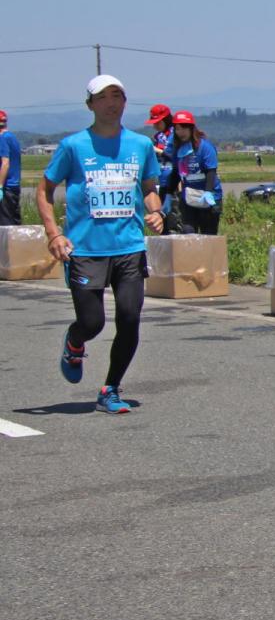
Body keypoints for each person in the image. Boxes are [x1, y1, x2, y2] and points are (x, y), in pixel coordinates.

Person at [36, 75, 164, 414]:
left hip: (129, 247)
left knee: (130, 316)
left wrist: (156, 212)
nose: (112, 103)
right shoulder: (74, 146)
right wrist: (54, 234)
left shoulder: (140, 145)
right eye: (103, 97)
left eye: (118, 96)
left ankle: (110, 388)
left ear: (124, 102)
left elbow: (149, 187)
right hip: (86, 250)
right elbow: (44, 190)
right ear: (90, 104)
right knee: (92, 322)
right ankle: (75, 342)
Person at [163, 110, 222, 235]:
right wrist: (168, 194)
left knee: (208, 236)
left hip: (208, 197)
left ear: (191, 128)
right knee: (188, 233)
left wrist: (208, 192)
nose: (181, 132)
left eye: (184, 128)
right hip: (189, 198)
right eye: (177, 129)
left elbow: (211, 171)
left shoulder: (205, 147)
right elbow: (175, 173)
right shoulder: (178, 149)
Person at [144, 103, 181, 234]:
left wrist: (158, 151)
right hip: (161, 181)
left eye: (158, 122)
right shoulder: (158, 136)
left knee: (173, 216)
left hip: (174, 183)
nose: (155, 126)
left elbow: (176, 156)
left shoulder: (176, 134)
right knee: (162, 216)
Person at [0, 109, 22, 225]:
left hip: (6, 187)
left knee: (5, 227)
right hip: (14, 187)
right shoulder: (12, 137)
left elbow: (5, 163)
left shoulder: (1, 138)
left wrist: (0, 186)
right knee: (14, 224)